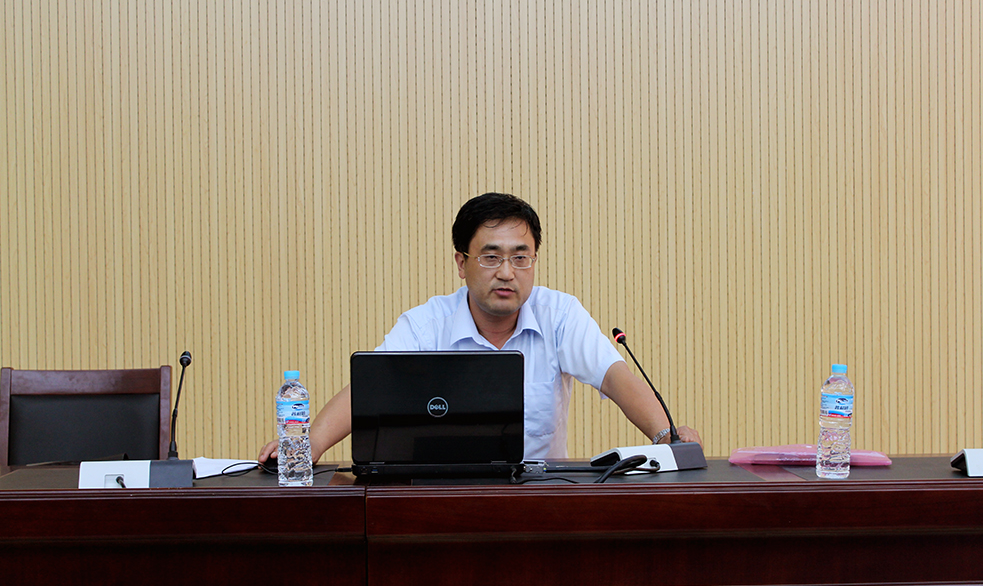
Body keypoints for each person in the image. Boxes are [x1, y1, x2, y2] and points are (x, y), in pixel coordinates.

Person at [259, 192, 701, 463]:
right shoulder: (427, 323)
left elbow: (614, 376)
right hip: (441, 497)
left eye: (521, 257)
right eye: (491, 257)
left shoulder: (559, 314)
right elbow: (370, 388)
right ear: (462, 263)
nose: (507, 272)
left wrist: (666, 436)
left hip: (539, 500)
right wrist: (306, 447)